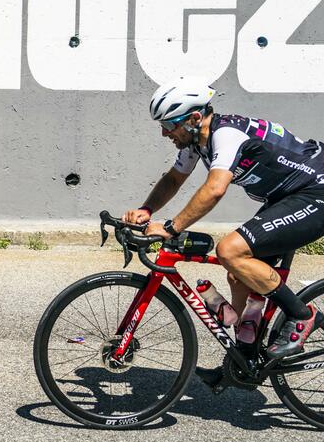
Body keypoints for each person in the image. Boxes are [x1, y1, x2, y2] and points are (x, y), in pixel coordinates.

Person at [124, 76, 324, 360]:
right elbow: (173, 179)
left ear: (194, 118)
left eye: (169, 125)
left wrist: (170, 228)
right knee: (239, 274)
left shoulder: (226, 134)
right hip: (288, 195)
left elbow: (215, 189)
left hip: (316, 192)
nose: (165, 134)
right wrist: (147, 210)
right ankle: (244, 359)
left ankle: (303, 315)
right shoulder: (197, 141)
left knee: (230, 250)